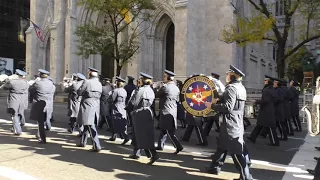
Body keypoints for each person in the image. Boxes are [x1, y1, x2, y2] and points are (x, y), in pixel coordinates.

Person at [204, 65, 252, 180]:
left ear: (232, 76)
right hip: (236, 121)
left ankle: (246, 177)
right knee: (222, 146)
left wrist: (212, 106)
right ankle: (214, 167)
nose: (226, 76)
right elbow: (233, 103)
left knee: (236, 152)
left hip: (230, 123)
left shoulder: (231, 88)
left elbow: (228, 107)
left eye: (228, 74)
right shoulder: (240, 87)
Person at [129, 72, 159, 165]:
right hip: (147, 112)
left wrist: (137, 89)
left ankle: (153, 155)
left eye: (140, 79)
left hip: (139, 113)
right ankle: (136, 152)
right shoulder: (150, 90)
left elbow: (134, 102)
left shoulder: (141, 90)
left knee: (142, 135)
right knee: (139, 134)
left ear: (142, 80)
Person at [247, 75, 279, 146]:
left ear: (268, 81)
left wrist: (256, 101)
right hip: (268, 109)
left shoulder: (267, 90)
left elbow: (266, 100)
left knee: (270, 126)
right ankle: (253, 137)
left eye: (265, 80)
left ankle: (274, 141)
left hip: (266, 110)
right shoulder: (272, 89)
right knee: (260, 125)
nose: (264, 82)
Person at [156, 70, 183, 154]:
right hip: (172, 110)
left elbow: (157, 95)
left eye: (164, 76)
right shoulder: (176, 88)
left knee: (169, 132)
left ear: (168, 78)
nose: (163, 78)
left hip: (166, 111)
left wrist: (157, 87)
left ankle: (178, 146)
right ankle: (160, 145)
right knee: (163, 129)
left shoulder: (165, 87)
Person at [77, 67, 102, 152]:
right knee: (86, 124)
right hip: (96, 105)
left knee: (90, 126)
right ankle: (82, 142)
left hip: (87, 105)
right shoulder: (99, 83)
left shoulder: (87, 81)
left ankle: (97, 145)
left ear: (90, 73)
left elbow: (79, 92)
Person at [29, 69, 55, 143]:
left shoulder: (37, 83)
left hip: (40, 104)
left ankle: (42, 138)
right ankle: (40, 135)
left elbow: (31, 90)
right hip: (48, 104)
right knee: (45, 120)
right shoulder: (51, 84)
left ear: (40, 75)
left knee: (40, 122)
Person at [4, 69, 29, 135]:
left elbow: (4, 87)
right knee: (20, 113)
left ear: (16, 75)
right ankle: (18, 125)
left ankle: (18, 130)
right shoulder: (26, 82)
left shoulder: (12, 82)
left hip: (14, 100)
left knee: (14, 115)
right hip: (23, 100)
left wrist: (7, 81)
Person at [109, 76, 130, 145]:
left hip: (116, 108)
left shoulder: (116, 90)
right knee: (120, 123)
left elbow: (112, 100)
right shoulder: (124, 91)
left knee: (116, 123)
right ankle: (114, 135)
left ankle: (125, 137)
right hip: (123, 108)